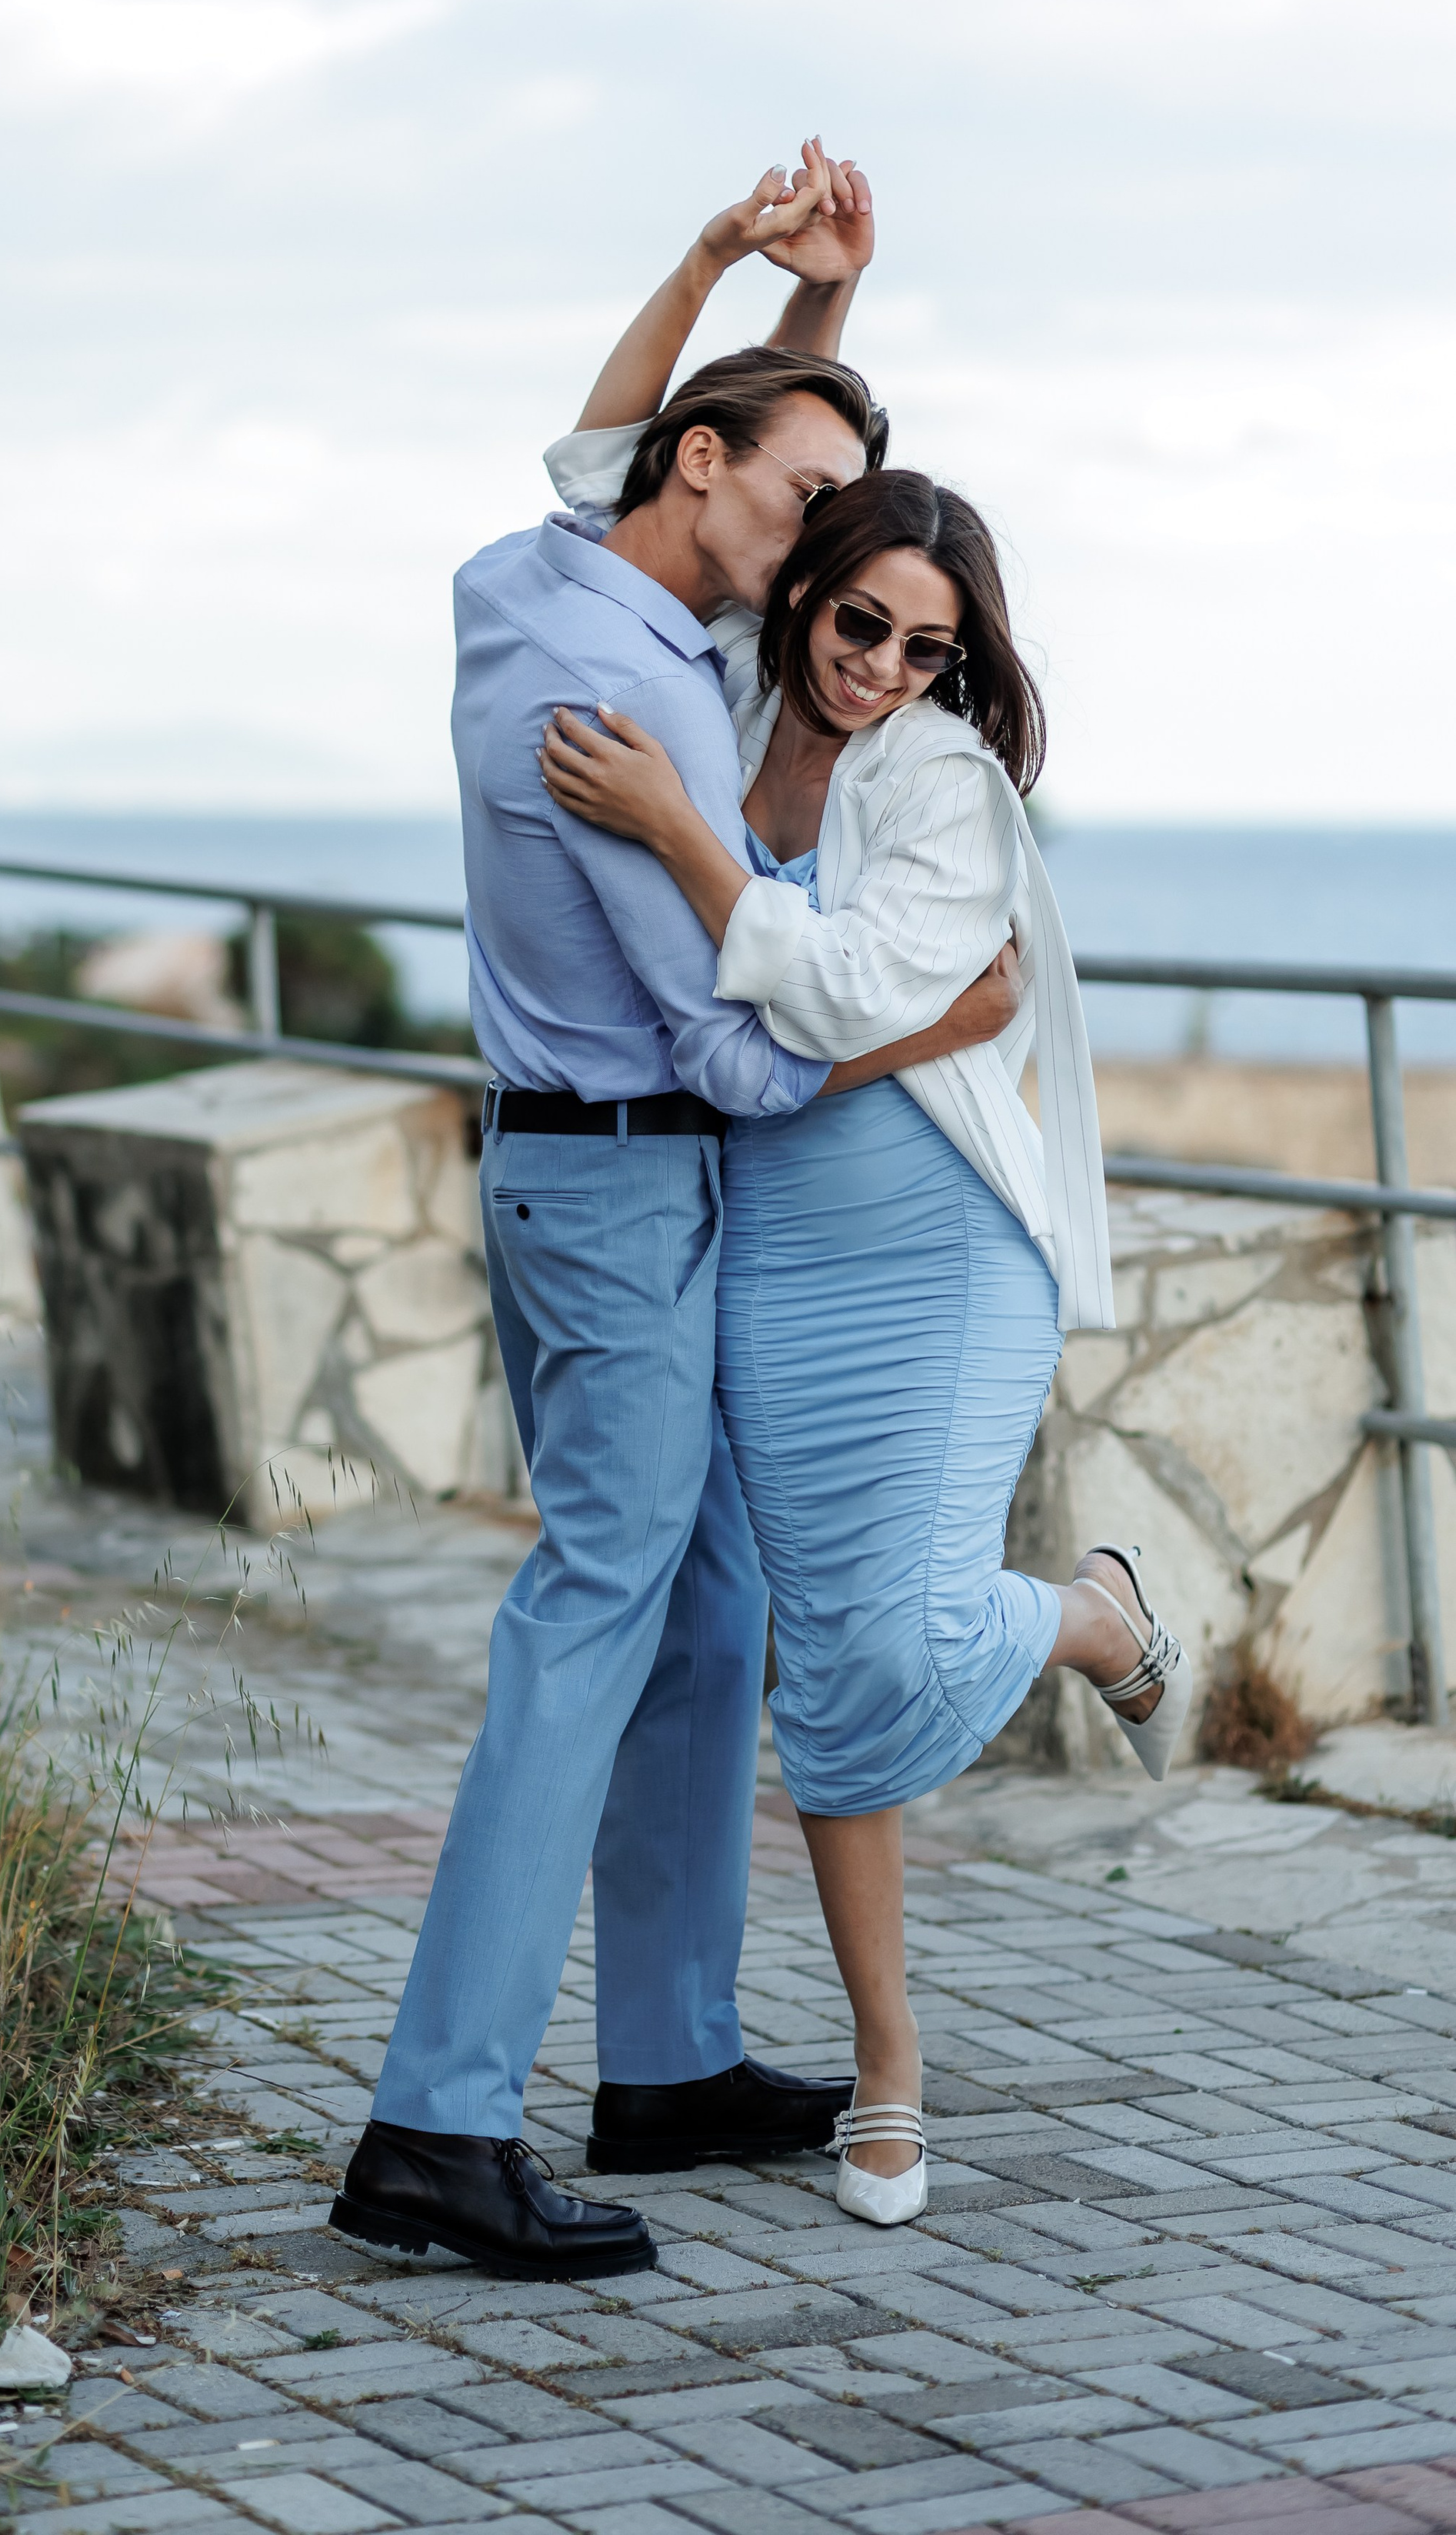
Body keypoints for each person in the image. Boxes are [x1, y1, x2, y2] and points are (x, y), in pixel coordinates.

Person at [329, 147, 1027, 2283]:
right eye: (804, 509)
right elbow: (738, 1060)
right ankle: (437, 2123)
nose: (824, 558)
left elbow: (638, 448)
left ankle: (669, 2058)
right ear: (701, 469)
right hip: (629, 1184)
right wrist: (941, 1023)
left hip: (589, 1176)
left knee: (716, 1611)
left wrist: (757, 271)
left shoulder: (540, 580)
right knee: (596, 1618)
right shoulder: (634, 702)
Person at [540, 460, 1193, 2230]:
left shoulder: (944, 781)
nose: (879, 666)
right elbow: (604, 478)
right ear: (800, 584)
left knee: (895, 1628)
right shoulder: (721, 684)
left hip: (940, 1247)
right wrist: (787, 310)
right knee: (829, 1663)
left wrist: (678, 834)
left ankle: (1086, 1616)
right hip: (772, 1252)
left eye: (924, 648)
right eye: (857, 620)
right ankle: (885, 2061)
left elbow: (831, 989)